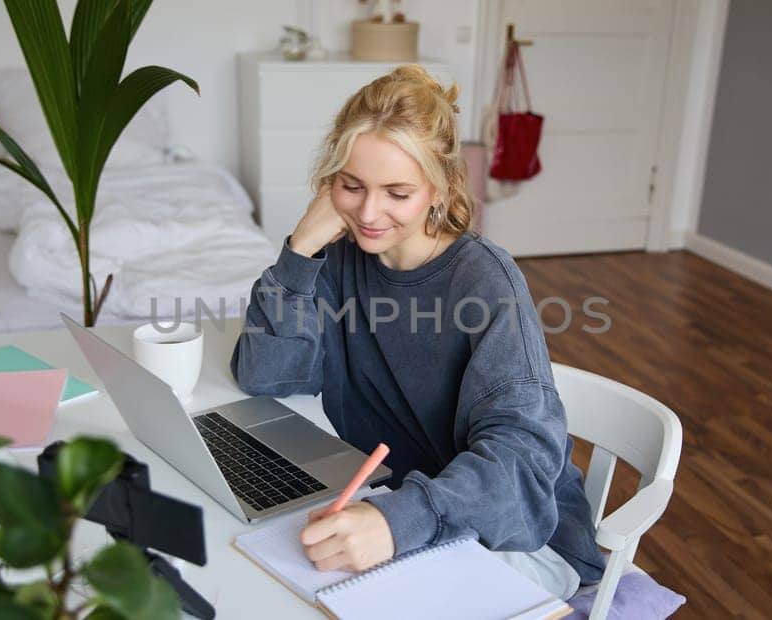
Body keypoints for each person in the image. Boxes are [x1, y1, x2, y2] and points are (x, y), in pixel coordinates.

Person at [229, 64, 605, 599]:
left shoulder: (484, 280)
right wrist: (300, 250)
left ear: (441, 188)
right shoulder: (339, 258)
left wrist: (400, 520)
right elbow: (265, 377)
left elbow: (522, 456)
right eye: (350, 185)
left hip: (513, 536)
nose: (369, 212)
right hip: (398, 505)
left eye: (397, 192)